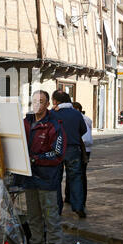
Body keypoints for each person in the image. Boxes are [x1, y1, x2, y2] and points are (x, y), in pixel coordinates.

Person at [18, 90, 66, 244]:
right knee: (33, 216)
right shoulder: (26, 122)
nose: (37, 104)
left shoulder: (54, 125)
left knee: (51, 218)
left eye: (41, 101)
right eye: (34, 101)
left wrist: (33, 159)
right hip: (29, 178)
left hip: (47, 179)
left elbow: (57, 153)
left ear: (47, 104)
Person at [51, 90, 87, 218]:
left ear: (55, 101)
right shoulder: (76, 114)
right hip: (73, 149)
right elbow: (83, 129)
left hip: (57, 149)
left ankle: (57, 208)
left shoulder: (52, 114)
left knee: (56, 179)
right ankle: (78, 207)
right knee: (76, 178)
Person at [71, 102, 93, 208]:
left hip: (80, 148)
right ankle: (79, 199)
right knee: (81, 174)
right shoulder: (87, 119)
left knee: (77, 174)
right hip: (86, 149)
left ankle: (78, 200)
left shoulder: (76, 118)